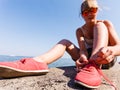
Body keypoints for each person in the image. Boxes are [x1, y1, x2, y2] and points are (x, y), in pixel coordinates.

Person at [0, 0, 120, 89]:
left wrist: (112, 51)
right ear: (82, 15)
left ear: (97, 10)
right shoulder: (80, 31)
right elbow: (83, 49)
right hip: (87, 59)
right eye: (85, 12)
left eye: (93, 10)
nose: (89, 14)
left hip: (103, 58)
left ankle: (94, 65)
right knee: (65, 42)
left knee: (99, 26)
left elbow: (118, 46)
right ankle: (37, 62)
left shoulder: (105, 23)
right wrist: (82, 56)